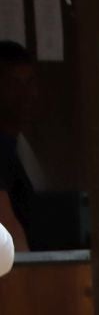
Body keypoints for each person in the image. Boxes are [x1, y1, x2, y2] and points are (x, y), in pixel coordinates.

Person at [0, 40, 41, 250]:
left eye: (29, 84)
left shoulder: (20, 149)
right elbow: (8, 229)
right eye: (15, 84)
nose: (26, 95)